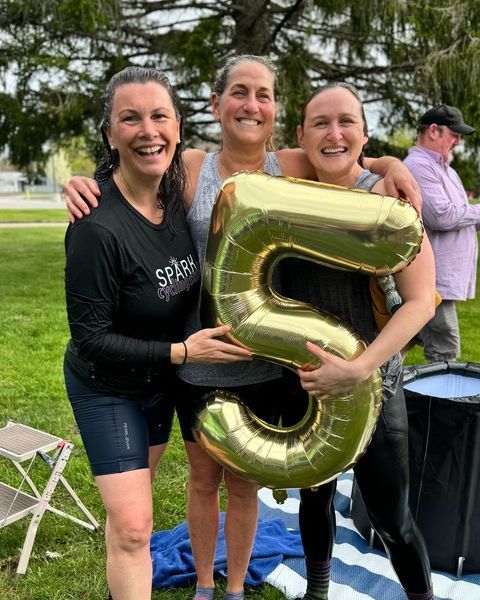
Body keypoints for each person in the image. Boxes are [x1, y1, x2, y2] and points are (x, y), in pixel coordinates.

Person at [64, 56, 426, 600]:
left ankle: (235, 588)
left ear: (277, 111)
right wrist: (80, 184)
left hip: (269, 360)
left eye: (263, 94)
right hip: (200, 360)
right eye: (238, 91)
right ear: (215, 105)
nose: (250, 104)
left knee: (247, 480)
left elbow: (343, 153)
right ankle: (206, 586)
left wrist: (394, 162)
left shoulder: (291, 165)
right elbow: (134, 163)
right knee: (204, 479)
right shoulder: (190, 166)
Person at [63, 66, 252, 600]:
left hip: (158, 388)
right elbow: (90, 338)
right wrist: (182, 351)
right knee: (133, 527)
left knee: (134, 513)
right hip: (107, 386)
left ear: (178, 125)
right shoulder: (96, 226)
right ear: (109, 134)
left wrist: (380, 164)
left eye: (159, 116)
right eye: (130, 118)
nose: (147, 130)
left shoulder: (174, 191)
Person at [277, 83, 436, 600]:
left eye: (346, 121)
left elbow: (420, 301)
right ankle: (317, 592)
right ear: (301, 136)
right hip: (306, 379)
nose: (334, 133)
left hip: (374, 384)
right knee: (313, 497)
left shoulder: (389, 199)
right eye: (320, 123)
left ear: (364, 134)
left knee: (392, 518)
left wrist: (359, 367)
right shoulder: (285, 192)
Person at [403, 104, 477, 362]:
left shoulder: (447, 170)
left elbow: (462, 214)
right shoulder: (418, 166)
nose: (457, 141)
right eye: (454, 134)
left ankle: (385, 394)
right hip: (431, 281)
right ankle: (441, 403)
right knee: (445, 351)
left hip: (440, 282)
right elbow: (442, 215)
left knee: (402, 343)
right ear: (433, 130)